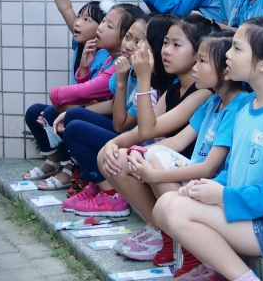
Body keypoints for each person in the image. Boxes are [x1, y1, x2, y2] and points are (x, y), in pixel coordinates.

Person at [153, 16, 263, 281]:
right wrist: (204, 187)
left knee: (176, 211)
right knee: (166, 204)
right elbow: (237, 170)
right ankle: (216, 269)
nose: (228, 54)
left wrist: (223, 195)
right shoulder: (246, 107)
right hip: (252, 212)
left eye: (237, 48)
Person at [107, 32, 253, 276]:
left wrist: (153, 173)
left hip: (213, 185)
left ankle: (189, 248)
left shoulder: (237, 104)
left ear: (226, 71)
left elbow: (209, 168)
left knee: (155, 159)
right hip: (199, 179)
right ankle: (173, 239)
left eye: (202, 61)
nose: (195, 67)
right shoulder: (213, 102)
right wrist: (137, 152)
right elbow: (177, 140)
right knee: (141, 156)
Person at [62, 15, 215, 217]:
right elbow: (139, 132)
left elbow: (147, 131)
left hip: (184, 173)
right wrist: (113, 144)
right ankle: (155, 225)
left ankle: (160, 225)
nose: (166, 50)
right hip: (164, 162)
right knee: (110, 153)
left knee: (139, 157)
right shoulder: (175, 89)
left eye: (176, 45)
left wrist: (144, 78)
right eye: (166, 43)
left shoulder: (202, 93)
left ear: (198, 54)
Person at [28, 4, 144, 191]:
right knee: (46, 113)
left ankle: (104, 188)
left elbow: (91, 97)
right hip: (117, 123)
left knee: (71, 123)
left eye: (108, 25)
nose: (101, 28)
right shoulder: (111, 59)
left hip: (125, 133)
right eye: (103, 21)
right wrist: (83, 69)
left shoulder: (123, 67)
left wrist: (60, 98)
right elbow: (102, 99)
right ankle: (61, 164)